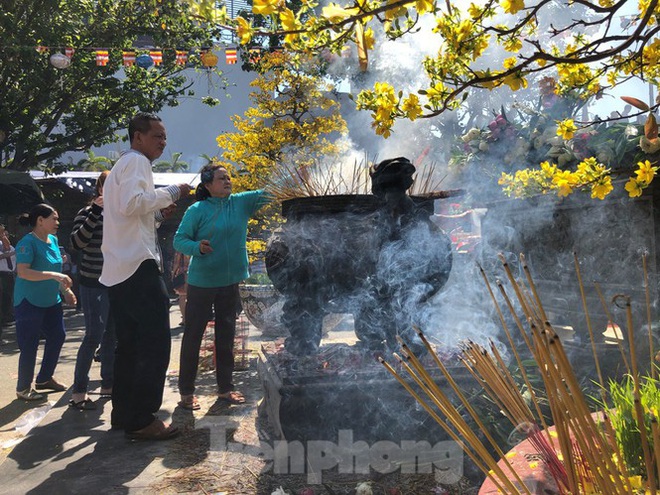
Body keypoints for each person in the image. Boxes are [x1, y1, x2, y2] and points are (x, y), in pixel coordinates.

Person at [99, 113, 191, 440]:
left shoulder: (121, 168)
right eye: (157, 136)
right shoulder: (137, 162)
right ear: (137, 137)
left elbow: (133, 214)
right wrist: (173, 192)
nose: (163, 143)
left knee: (129, 347)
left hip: (119, 269)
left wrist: (156, 214)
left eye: (165, 137)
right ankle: (142, 419)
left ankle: (125, 415)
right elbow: (133, 204)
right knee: (153, 344)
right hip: (138, 267)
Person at [173, 163, 269, 410]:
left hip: (230, 281)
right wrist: (197, 248)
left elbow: (270, 192)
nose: (227, 181)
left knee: (226, 337)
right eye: (221, 178)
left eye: (228, 177)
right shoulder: (197, 210)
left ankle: (225, 389)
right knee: (193, 336)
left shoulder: (240, 203)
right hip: (202, 282)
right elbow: (179, 240)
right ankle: (186, 393)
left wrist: (297, 177)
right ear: (207, 184)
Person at [14, 203, 76, 401]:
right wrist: (56, 276)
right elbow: (23, 271)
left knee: (58, 336)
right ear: (40, 220)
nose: (57, 222)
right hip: (28, 301)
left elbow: (55, 270)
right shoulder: (27, 242)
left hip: (51, 301)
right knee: (29, 344)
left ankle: (44, 378)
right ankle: (23, 388)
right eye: (54, 218)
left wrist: (65, 290)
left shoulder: (53, 240)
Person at [69, 170, 115, 410]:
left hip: (117, 282)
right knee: (93, 336)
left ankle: (108, 383)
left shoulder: (120, 214)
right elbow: (76, 243)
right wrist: (96, 212)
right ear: (99, 189)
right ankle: (79, 391)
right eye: (110, 185)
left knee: (112, 334)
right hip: (93, 281)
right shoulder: (87, 213)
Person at [0, 224, 16, 330]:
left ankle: (8, 316)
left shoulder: (11, 248)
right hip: (2, 274)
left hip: (11, 274)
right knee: (4, 297)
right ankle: (4, 317)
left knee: (9, 297)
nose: (5, 236)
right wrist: (12, 253)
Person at [170, 251, 189, 326]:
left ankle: (184, 319)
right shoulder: (195, 244)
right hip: (193, 272)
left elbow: (176, 262)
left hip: (183, 273)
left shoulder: (181, 248)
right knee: (192, 297)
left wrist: (173, 273)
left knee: (182, 297)